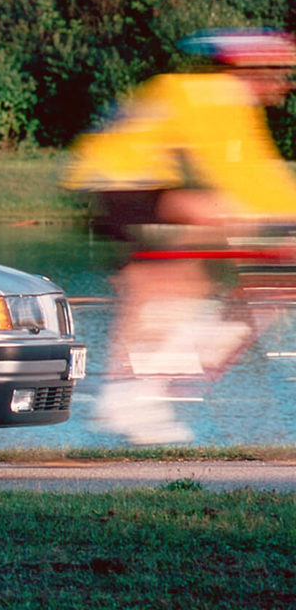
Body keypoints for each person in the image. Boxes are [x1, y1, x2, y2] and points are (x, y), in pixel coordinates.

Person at [62, 28, 296, 444]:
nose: (285, 82)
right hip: (119, 183)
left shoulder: (205, 93)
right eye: (278, 71)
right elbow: (243, 179)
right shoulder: (216, 97)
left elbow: (255, 170)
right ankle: (135, 392)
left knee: (181, 275)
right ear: (248, 69)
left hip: (121, 180)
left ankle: (135, 389)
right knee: (209, 230)